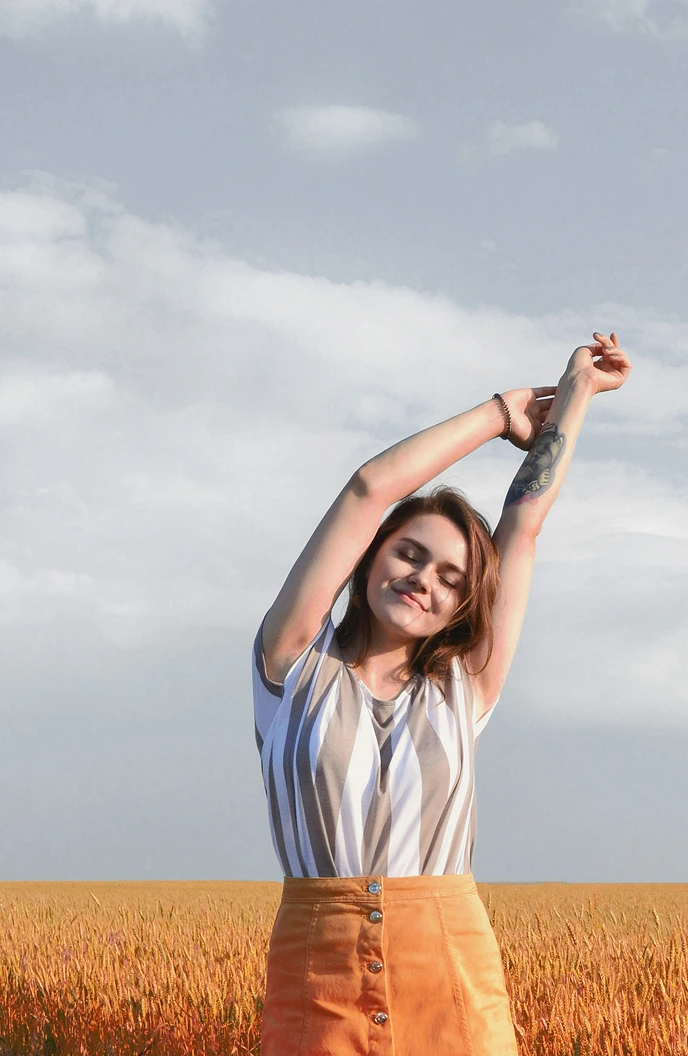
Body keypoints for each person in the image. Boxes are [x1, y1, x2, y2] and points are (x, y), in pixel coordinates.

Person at [252, 332, 632, 1055]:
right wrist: (500, 412)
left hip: (450, 968)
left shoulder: (466, 686)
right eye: (410, 553)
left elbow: (520, 532)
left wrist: (576, 396)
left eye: (452, 580)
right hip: (316, 977)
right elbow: (370, 488)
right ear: (372, 554)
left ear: (463, 606)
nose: (425, 580)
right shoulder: (292, 661)